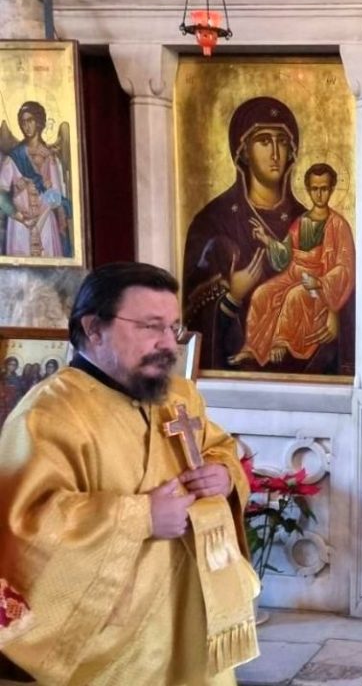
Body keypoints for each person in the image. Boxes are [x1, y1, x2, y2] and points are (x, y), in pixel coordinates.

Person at [0, 262, 259, 684]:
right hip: (114, 643)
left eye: (173, 327)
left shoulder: (178, 394)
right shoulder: (47, 416)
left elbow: (217, 447)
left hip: (189, 614)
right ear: (94, 328)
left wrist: (223, 474)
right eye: (150, 327)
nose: (166, 343)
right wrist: (142, 517)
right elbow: (24, 528)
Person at [183, 96, 308, 370]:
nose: (275, 152)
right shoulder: (212, 222)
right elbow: (190, 318)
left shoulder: (307, 222)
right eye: (264, 141)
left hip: (299, 369)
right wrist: (231, 297)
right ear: (243, 151)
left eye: (282, 141)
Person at [230, 162, 355, 367]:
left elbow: (345, 267)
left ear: (332, 189)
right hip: (293, 274)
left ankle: (281, 342)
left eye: (324, 188)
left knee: (294, 296)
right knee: (262, 293)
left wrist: (321, 283)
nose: (319, 194)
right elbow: (285, 255)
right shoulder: (301, 221)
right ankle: (252, 348)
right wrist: (266, 240)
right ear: (308, 190)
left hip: (319, 285)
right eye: (315, 189)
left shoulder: (339, 225)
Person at [0, 101, 72, 258]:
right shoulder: (14, 158)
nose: (27, 126)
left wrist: (45, 196)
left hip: (45, 222)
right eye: (23, 122)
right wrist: (19, 216)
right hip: (20, 224)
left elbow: (57, 197)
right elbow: (1, 194)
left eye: (30, 120)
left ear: (39, 122)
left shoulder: (49, 157)